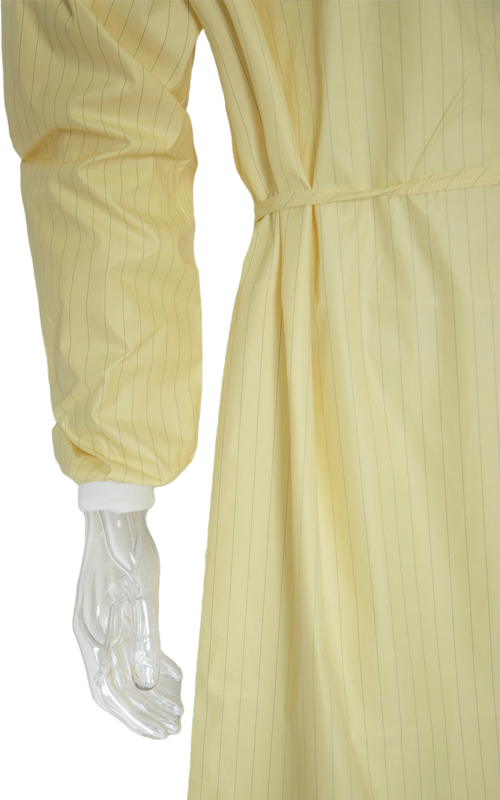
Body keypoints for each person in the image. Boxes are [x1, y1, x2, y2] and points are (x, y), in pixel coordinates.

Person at [3, 0, 500, 798]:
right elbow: (104, 97)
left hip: (354, 332)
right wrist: (117, 467)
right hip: (356, 336)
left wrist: (118, 489)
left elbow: (102, 109)